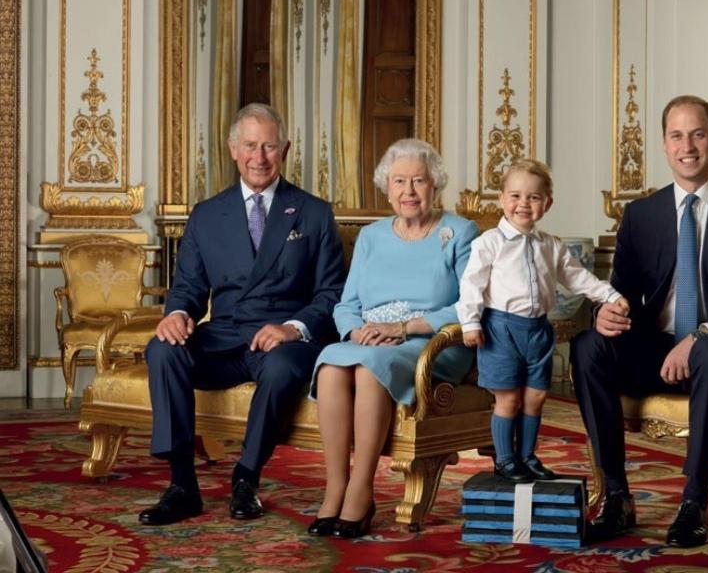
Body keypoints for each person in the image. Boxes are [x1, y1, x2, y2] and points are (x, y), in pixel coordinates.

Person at [570, 95, 708, 547]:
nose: (687, 146)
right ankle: (616, 497)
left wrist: (703, 333)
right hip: (658, 350)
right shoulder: (641, 215)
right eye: (676, 136)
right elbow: (621, 295)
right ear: (664, 145)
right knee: (589, 345)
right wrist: (605, 312)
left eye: (697, 134)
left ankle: (694, 502)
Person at [139, 103, 345, 526]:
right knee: (163, 348)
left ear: (285, 150)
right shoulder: (206, 214)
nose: (259, 157)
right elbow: (189, 288)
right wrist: (177, 313)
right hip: (225, 336)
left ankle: (246, 479)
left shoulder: (314, 212)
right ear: (233, 149)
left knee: (282, 367)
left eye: (269, 146)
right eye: (250, 146)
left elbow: (332, 293)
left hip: (283, 341)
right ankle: (182, 484)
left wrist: (293, 328)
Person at [307, 138, 479, 539]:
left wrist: (404, 328)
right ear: (387, 187)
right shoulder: (371, 236)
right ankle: (336, 486)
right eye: (399, 181)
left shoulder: (459, 232)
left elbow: (470, 305)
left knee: (370, 368)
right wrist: (356, 331)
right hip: (370, 340)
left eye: (419, 180)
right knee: (331, 363)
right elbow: (346, 304)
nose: (409, 191)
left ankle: (361, 489)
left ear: (435, 185)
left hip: (430, 343)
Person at [456, 159, 627, 484]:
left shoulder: (550, 245)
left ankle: (527, 456)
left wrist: (609, 295)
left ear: (547, 204)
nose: (523, 204)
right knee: (508, 398)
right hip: (501, 330)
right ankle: (505, 460)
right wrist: (470, 323)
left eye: (533, 197)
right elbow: (471, 284)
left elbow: (577, 277)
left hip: (538, 331)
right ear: (502, 199)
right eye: (515, 196)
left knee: (535, 397)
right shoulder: (489, 242)